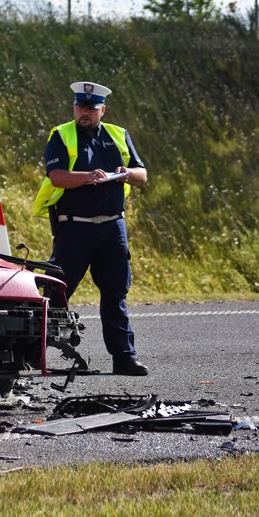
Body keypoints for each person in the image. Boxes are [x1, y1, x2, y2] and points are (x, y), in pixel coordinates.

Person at [33, 81, 149, 376]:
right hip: (75, 229)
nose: (84, 112)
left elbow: (142, 174)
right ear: (74, 107)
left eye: (91, 108)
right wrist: (87, 177)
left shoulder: (118, 134)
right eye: (80, 106)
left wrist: (126, 173)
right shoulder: (62, 134)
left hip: (112, 228)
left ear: (102, 110)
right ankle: (30, 353)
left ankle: (124, 358)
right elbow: (56, 176)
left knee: (115, 293)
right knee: (56, 292)